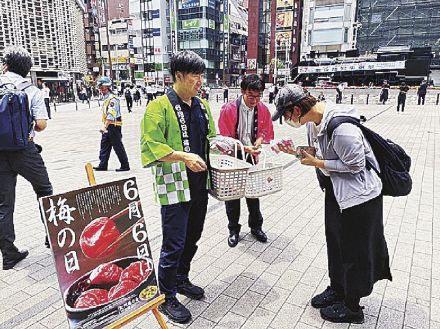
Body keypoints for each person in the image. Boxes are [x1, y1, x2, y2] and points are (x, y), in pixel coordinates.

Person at [272, 84, 392, 324]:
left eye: (285, 115)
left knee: (354, 251)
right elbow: (318, 154)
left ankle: (352, 306)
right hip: (337, 193)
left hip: (360, 198)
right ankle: (337, 288)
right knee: (335, 243)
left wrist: (317, 163)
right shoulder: (312, 123)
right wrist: (294, 153)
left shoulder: (342, 128)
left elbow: (355, 166)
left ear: (296, 109)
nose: (286, 121)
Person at [140, 50, 216, 324]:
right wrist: (183, 156)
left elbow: (212, 137)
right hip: (174, 186)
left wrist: (227, 145)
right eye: (195, 74)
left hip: (199, 184)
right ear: (179, 75)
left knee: (193, 236)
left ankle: (181, 278)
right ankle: (166, 295)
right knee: (174, 242)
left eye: (201, 74)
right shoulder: (158, 107)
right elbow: (152, 146)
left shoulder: (202, 106)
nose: (200, 80)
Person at [0, 46, 53, 269]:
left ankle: (9, 254)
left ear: (6, 64)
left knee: (4, 204)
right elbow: (41, 124)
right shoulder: (32, 90)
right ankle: (53, 237)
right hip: (25, 150)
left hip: (0, 152)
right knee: (44, 191)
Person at [218, 74, 274, 247]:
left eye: (258, 96)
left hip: (251, 156)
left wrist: (257, 143)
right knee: (232, 196)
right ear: (242, 92)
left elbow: (265, 131)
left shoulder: (262, 108)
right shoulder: (228, 109)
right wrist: (243, 148)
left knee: (253, 194)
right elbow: (224, 138)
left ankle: (256, 227)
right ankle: (233, 229)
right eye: (251, 96)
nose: (255, 100)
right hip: (232, 156)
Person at [93, 77, 130, 172]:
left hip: (113, 126)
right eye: (100, 87)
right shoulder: (106, 98)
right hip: (108, 126)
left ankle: (125, 165)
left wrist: (104, 127)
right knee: (104, 145)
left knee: (117, 146)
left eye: (101, 87)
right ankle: (103, 165)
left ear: (106, 87)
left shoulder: (113, 99)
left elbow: (111, 114)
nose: (100, 89)